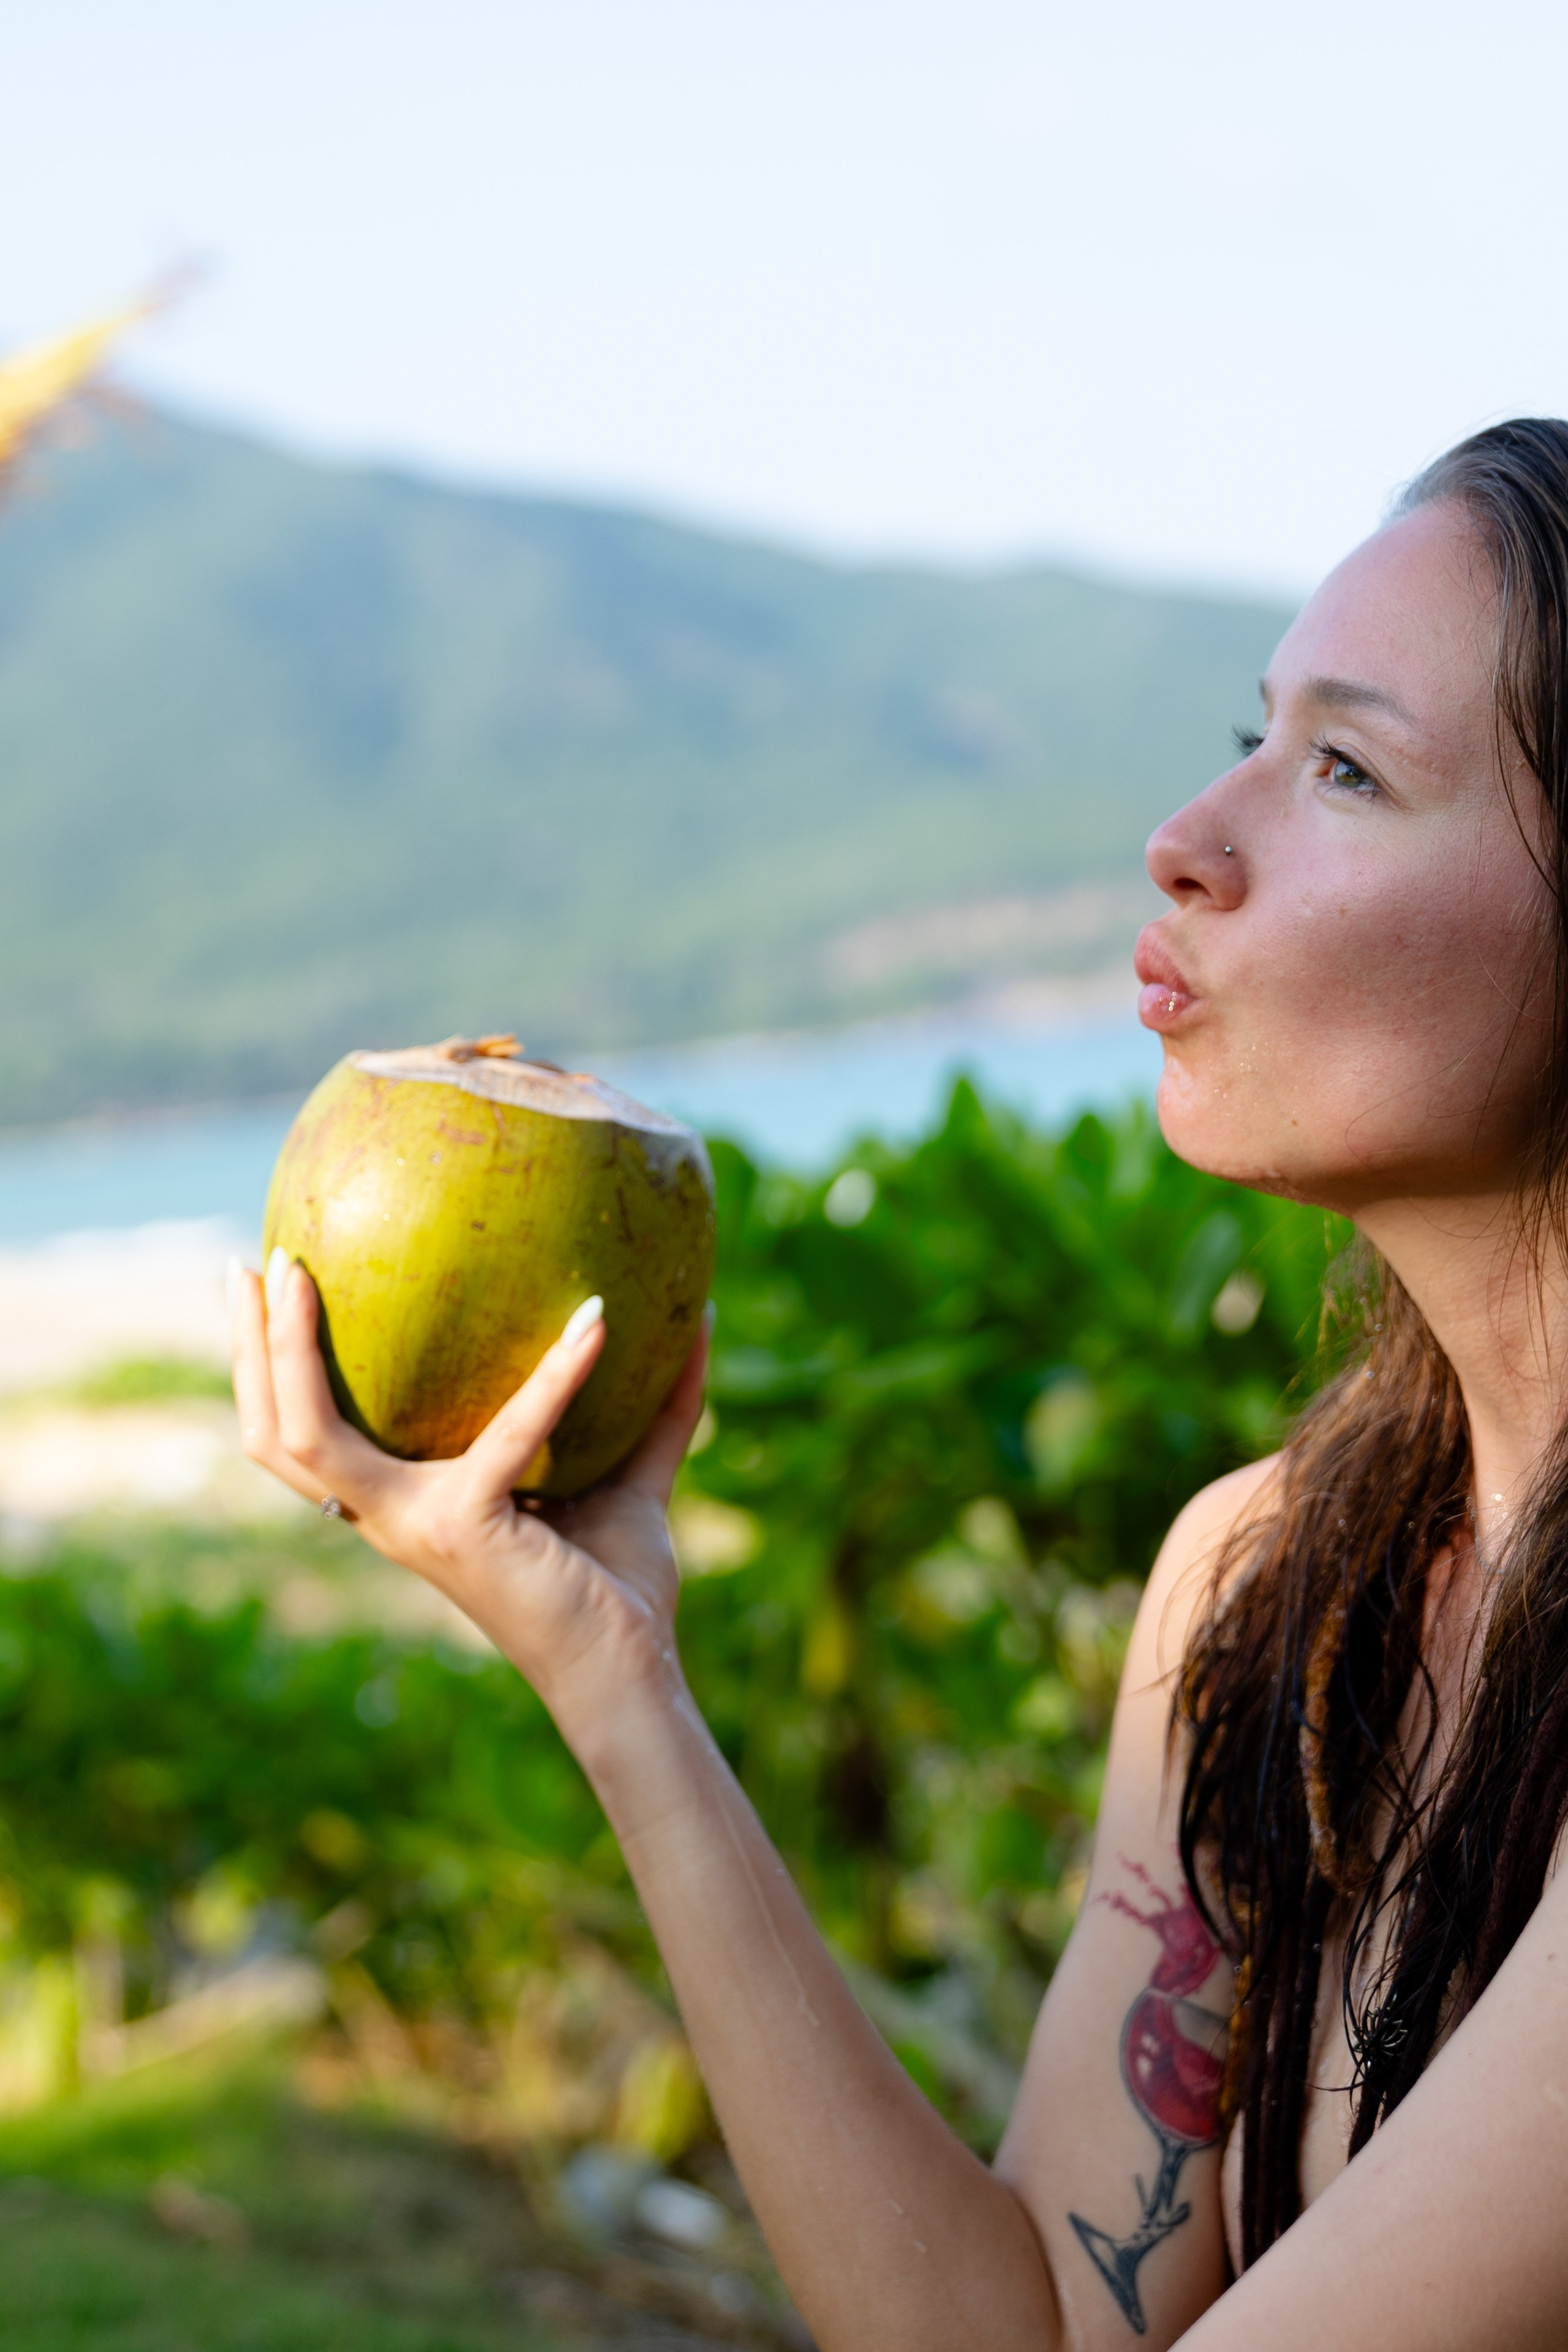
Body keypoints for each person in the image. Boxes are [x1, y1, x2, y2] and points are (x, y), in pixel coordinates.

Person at [232, 418, 1568, 2350]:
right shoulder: (1273, 1593)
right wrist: (616, 1671)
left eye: (1346, 769)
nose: (1188, 840)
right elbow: (1027, 2328)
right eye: (1251, 730)